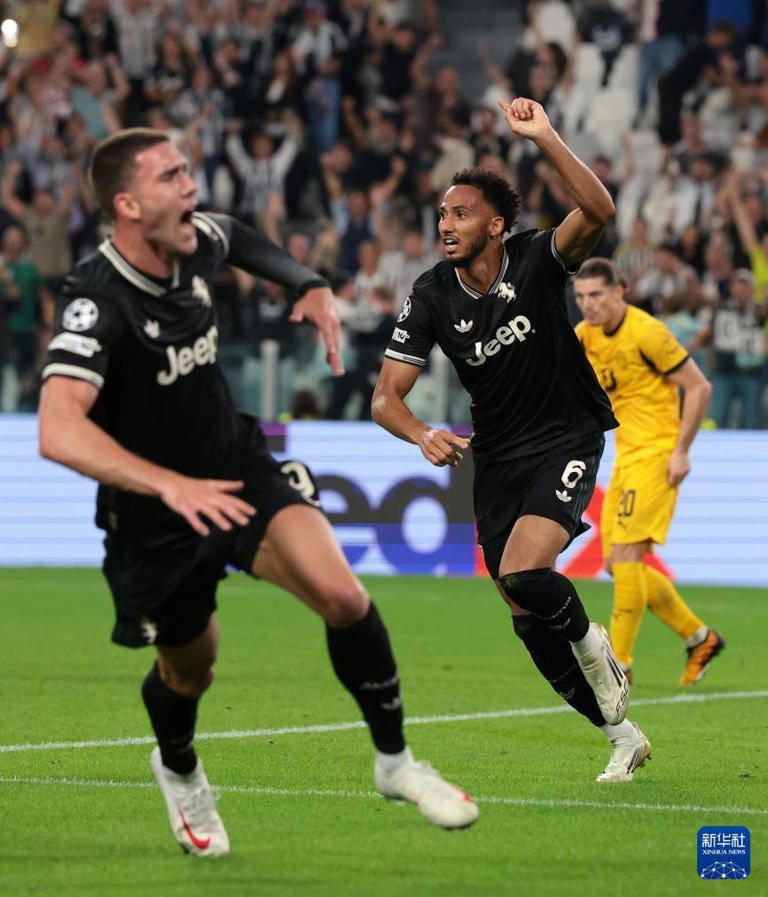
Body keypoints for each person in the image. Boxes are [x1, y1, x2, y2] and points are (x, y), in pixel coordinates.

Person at [37, 128, 478, 858]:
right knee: (191, 669)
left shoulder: (188, 241)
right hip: (156, 516)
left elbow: (235, 234)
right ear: (127, 205)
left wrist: (307, 283)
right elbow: (57, 430)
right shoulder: (97, 300)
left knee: (343, 596)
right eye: (170, 176)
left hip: (237, 465)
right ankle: (179, 767)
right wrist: (169, 484)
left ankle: (396, 762)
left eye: (188, 170)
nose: (191, 185)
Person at [372, 97, 647, 785]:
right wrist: (421, 433)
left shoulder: (537, 259)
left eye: (461, 214)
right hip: (495, 457)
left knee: (527, 572)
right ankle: (622, 736)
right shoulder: (431, 294)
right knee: (524, 616)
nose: (446, 224)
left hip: (566, 436)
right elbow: (384, 397)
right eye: (442, 214)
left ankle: (597, 648)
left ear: (495, 225)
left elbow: (600, 209)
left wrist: (544, 135)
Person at [573, 257, 724, 685]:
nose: (588, 304)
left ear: (619, 291)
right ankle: (700, 637)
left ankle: (619, 666)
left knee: (626, 558)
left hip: (658, 454)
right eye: (581, 297)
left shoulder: (647, 332)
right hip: (626, 456)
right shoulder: (584, 335)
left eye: (596, 295)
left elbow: (699, 386)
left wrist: (682, 451)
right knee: (615, 564)